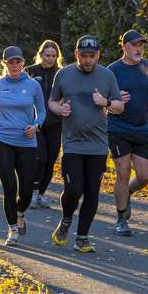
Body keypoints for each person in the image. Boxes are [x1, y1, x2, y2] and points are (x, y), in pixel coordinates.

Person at [49, 35, 123, 253]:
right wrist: (59, 109)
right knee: (73, 189)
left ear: (98, 54)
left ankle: (82, 237)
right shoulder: (63, 75)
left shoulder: (107, 76)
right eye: (84, 56)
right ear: (76, 55)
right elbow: (52, 101)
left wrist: (106, 102)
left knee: (92, 191)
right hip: (72, 144)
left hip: (98, 145)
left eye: (92, 56)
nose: (88, 60)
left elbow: (119, 106)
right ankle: (65, 220)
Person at [0, 46, 46, 246]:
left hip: (27, 142)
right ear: (4, 64)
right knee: (9, 188)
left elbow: (42, 112)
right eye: (10, 62)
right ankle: (12, 230)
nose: (14, 65)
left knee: (27, 190)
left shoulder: (33, 85)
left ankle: (20, 213)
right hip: (3, 140)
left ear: (23, 62)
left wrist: (36, 126)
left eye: (18, 61)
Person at [107, 30, 148, 236]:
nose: (138, 49)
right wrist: (115, 97)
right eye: (134, 45)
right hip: (118, 127)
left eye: (141, 45)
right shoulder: (112, 71)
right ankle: (121, 219)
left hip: (141, 127)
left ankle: (127, 192)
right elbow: (101, 99)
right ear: (124, 46)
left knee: (145, 176)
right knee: (123, 172)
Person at [25, 40, 64, 209]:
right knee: (40, 157)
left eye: (54, 56)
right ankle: (32, 192)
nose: (50, 59)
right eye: (47, 55)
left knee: (51, 158)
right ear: (41, 55)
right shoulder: (31, 71)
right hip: (36, 123)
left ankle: (41, 194)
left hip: (56, 122)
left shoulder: (61, 73)